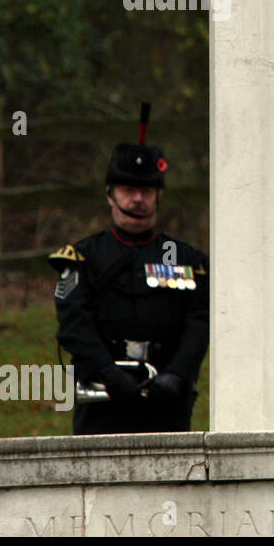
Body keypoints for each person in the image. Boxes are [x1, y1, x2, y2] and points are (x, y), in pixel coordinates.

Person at [49, 103, 208, 434]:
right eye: (128, 190)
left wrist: (178, 375)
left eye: (147, 190)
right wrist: (107, 372)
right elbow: (73, 323)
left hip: (167, 400)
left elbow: (200, 322)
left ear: (159, 196)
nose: (138, 199)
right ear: (110, 195)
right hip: (103, 398)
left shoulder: (186, 260)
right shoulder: (82, 258)